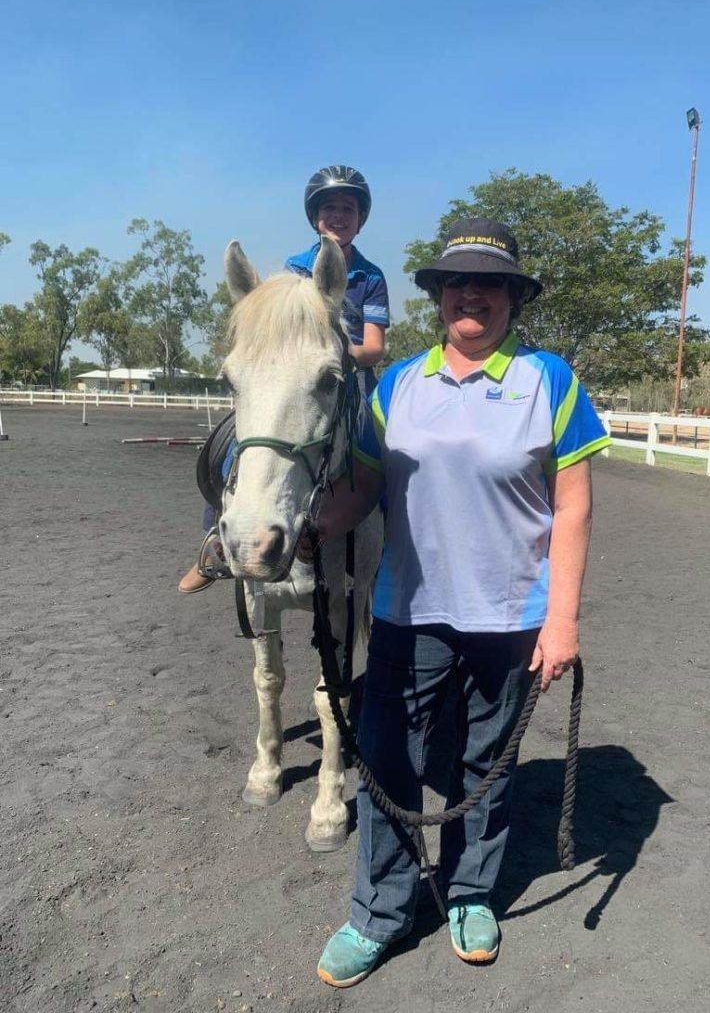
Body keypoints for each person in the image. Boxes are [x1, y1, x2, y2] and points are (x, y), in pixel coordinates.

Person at [298, 218, 611, 987]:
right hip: (409, 610)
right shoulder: (400, 383)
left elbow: (572, 507)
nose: (474, 294)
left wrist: (562, 618)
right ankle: (379, 912)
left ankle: (471, 893)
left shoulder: (550, 380)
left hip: (510, 615)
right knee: (388, 764)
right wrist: (314, 522)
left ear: (510, 297)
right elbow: (365, 486)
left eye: (491, 282)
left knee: (485, 764)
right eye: (458, 282)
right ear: (439, 297)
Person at [178, 165, 390, 594]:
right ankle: (216, 541)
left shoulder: (371, 277)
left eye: (347, 208)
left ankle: (389, 546)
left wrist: (336, 354)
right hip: (290, 375)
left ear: (360, 219)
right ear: (315, 217)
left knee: (382, 452)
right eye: (329, 208)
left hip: (346, 375)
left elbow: (374, 346)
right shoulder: (294, 267)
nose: (338, 216)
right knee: (229, 442)